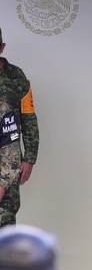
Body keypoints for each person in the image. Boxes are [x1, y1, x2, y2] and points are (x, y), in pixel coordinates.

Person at [0, 30, 38, 228]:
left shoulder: (16, 76)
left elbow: (28, 118)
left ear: (2, 47)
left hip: (10, 158)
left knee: (5, 217)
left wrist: (29, 158)